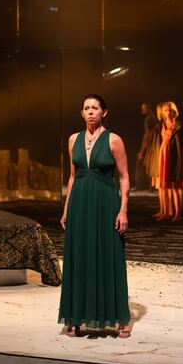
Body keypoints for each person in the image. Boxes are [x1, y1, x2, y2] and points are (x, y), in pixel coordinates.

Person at [59, 94, 131, 338]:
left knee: (108, 254)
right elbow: (72, 176)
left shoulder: (114, 140)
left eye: (95, 108)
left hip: (105, 202)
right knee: (79, 256)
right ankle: (75, 315)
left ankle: (120, 317)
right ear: (82, 113)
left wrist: (123, 210)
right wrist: (67, 208)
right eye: (86, 108)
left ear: (104, 112)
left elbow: (124, 178)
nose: (91, 112)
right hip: (79, 202)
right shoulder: (73, 140)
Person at [155, 102, 183, 222]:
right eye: (166, 110)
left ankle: (177, 214)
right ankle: (167, 212)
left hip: (174, 157)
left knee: (176, 187)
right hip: (163, 156)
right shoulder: (162, 125)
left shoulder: (179, 125)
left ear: (175, 112)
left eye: (170, 110)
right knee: (165, 185)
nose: (168, 112)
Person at [133, 102, 157, 192]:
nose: (142, 110)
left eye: (144, 108)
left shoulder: (148, 120)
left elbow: (147, 135)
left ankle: (139, 186)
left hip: (148, 146)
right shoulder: (157, 119)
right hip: (155, 146)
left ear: (149, 109)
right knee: (151, 166)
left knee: (140, 164)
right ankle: (151, 187)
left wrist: (142, 151)